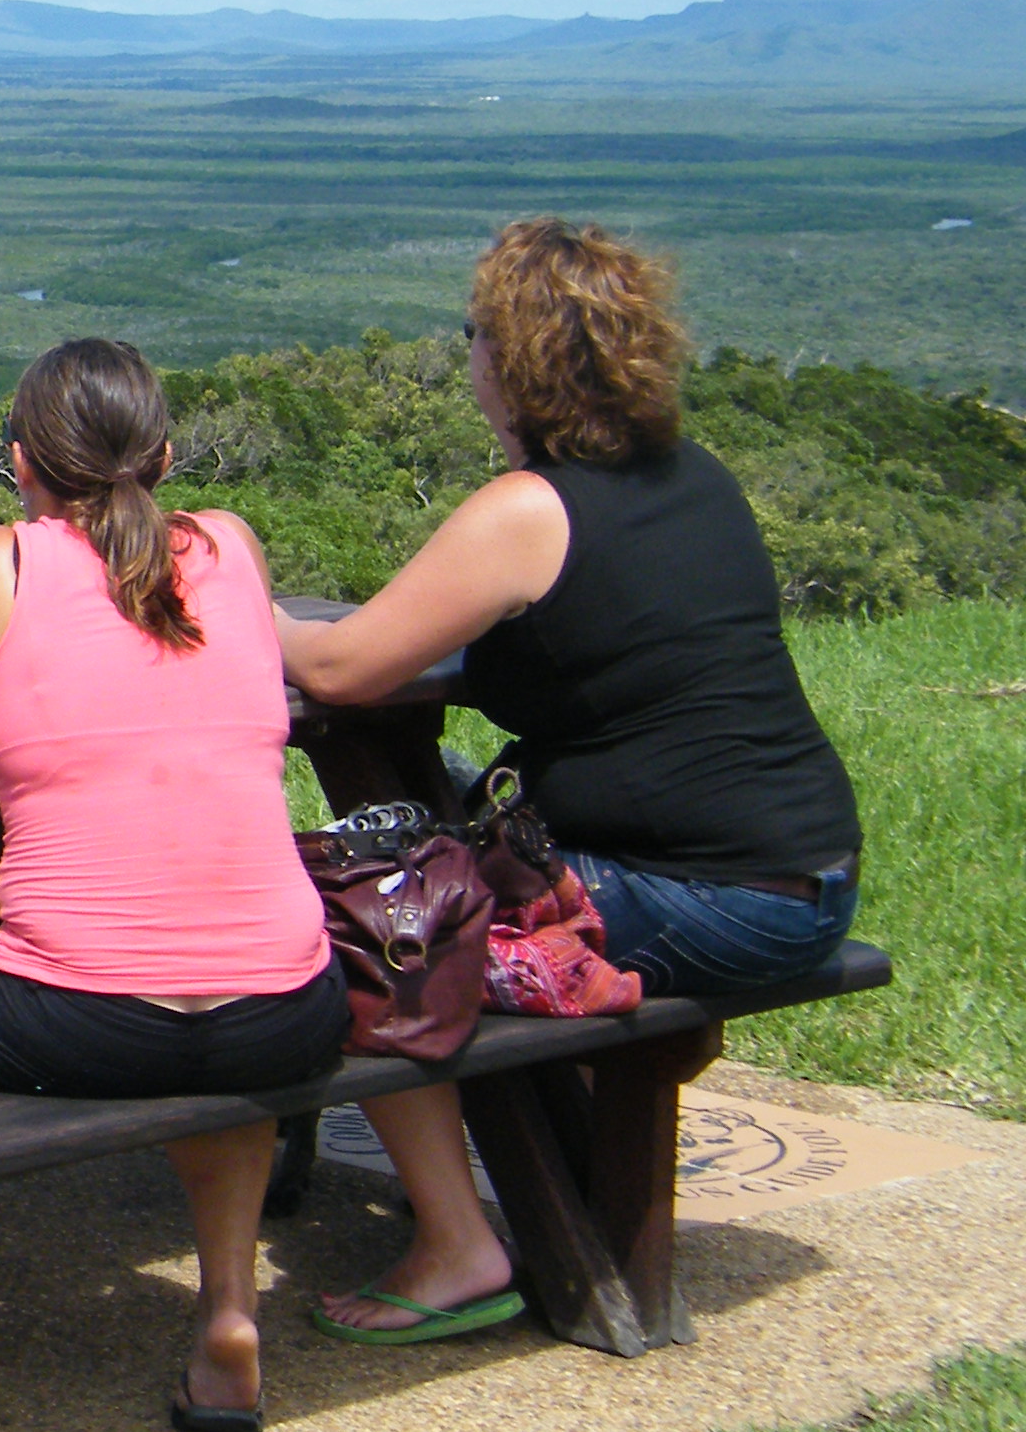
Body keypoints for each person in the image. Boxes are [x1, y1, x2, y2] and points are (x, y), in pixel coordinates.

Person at [279, 218, 861, 1345]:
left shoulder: (530, 511)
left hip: (706, 897)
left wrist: (243, 606)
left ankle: (461, 1246)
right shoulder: (697, 480)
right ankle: (532, 1165)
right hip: (804, 876)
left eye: (475, 338)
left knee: (360, 933)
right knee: (413, 863)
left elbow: (346, 665)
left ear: (515, 357)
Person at [0, 337, 345, 1432]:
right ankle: (227, 1314)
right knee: (217, 985)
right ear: (169, 455)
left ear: (22, 461)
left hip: (84, 1019)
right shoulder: (230, 546)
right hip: (293, 1010)